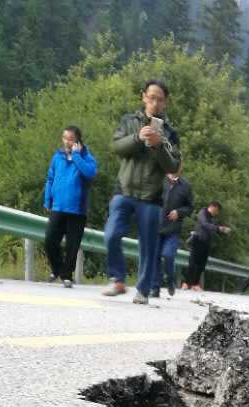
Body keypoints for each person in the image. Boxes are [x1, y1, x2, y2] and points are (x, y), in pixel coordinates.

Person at [103, 79, 181, 305]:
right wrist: (138, 137)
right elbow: (117, 147)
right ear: (143, 96)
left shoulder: (170, 133)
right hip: (124, 190)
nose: (155, 102)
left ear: (165, 103)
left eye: (160, 99)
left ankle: (143, 291)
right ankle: (117, 278)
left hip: (151, 197)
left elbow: (173, 167)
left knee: (148, 247)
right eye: (151, 97)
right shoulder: (129, 121)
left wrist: (158, 145)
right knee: (111, 235)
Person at [43, 126, 97, 287]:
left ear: (78, 141)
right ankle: (57, 269)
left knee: (72, 246)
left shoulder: (87, 157)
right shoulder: (57, 156)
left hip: (77, 210)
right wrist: (47, 199)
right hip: (58, 207)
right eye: (65, 138)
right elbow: (50, 178)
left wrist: (76, 156)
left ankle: (67, 275)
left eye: (71, 138)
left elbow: (90, 173)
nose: (67, 141)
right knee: (50, 241)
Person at [152, 167, 193, 298]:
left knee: (168, 255)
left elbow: (190, 208)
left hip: (173, 229)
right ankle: (155, 288)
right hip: (156, 226)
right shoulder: (158, 180)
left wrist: (179, 212)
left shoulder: (185, 186)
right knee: (155, 258)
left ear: (181, 167)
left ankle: (170, 279)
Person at [180, 202, 231, 291]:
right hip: (198, 240)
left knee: (201, 265)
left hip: (206, 243)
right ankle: (186, 283)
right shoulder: (202, 213)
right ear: (213, 207)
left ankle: (195, 284)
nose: (217, 213)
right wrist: (219, 228)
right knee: (192, 263)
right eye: (217, 211)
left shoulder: (211, 218)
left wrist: (222, 230)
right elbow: (205, 224)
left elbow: (211, 228)